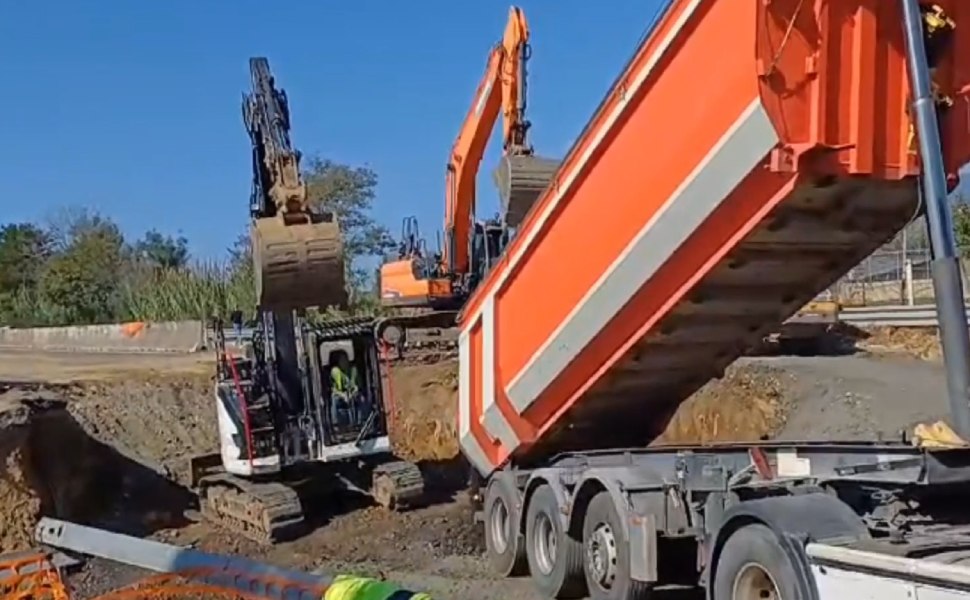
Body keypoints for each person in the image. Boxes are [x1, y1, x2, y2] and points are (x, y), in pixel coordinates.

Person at [329, 349, 362, 427]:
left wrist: (353, 393)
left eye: (345, 359)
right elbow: (333, 389)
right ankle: (336, 424)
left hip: (352, 395)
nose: (344, 362)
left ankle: (360, 423)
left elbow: (357, 386)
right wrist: (343, 395)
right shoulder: (335, 372)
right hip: (340, 396)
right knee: (334, 399)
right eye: (342, 360)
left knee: (361, 399)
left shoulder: (353, 370)